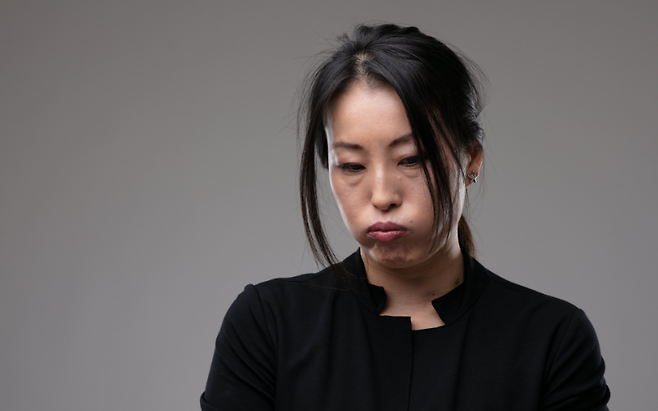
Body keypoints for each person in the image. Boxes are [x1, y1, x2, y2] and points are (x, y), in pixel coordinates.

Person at [200, 23, 610, 410]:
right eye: (352, 165)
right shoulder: (267, 325)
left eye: (411, 159)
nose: (382, 196)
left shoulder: (552, 339)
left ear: (471, 159)